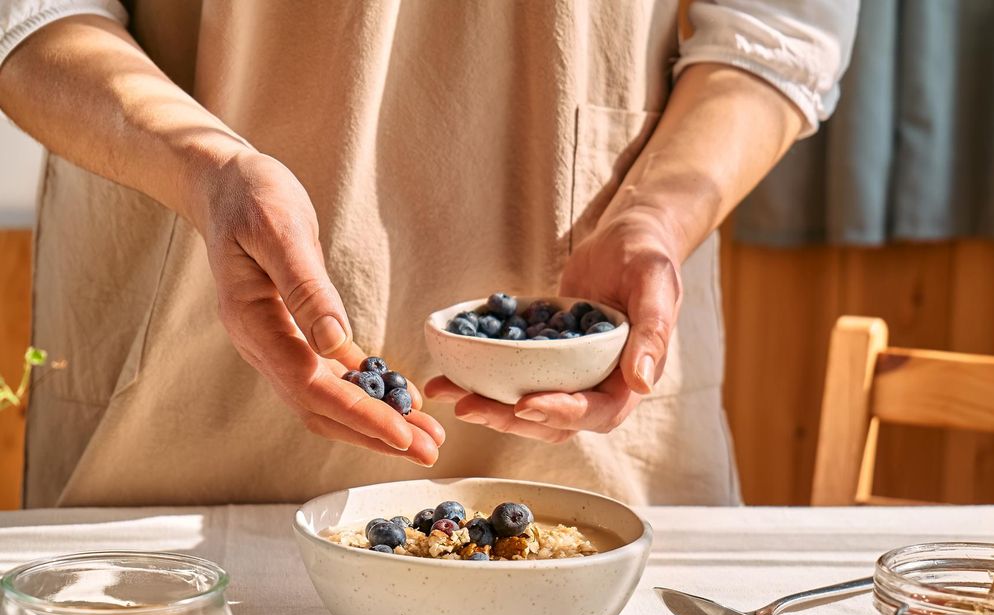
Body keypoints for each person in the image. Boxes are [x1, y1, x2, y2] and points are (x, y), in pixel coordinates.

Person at [0, 1, 857, 508]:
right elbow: (34, 15)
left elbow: (775, 30)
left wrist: (657, 215)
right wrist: (206, 169)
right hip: (173, 395)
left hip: (588, 436)